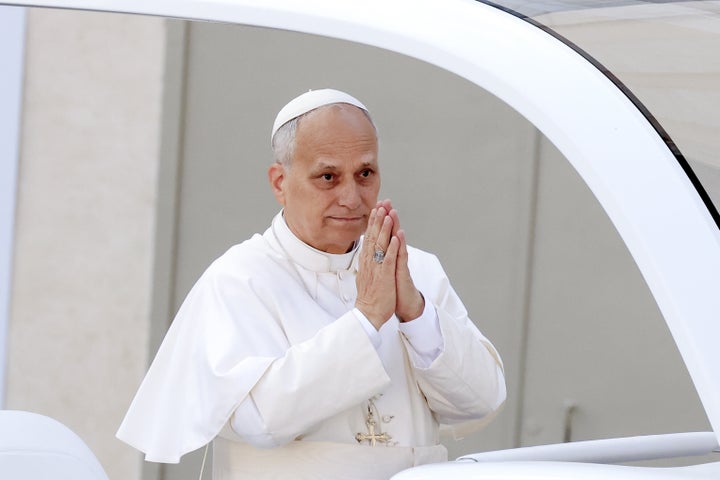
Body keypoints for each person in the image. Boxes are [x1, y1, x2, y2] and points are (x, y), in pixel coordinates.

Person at [117, 89, 506, 479]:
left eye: (365, 174)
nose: (352, 198)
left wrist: (417, 314)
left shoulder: (415, 270)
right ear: (280, 182)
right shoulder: (239, 279)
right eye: (328, 177)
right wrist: (367, 318)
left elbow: (482, 402)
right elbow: (260, 418)